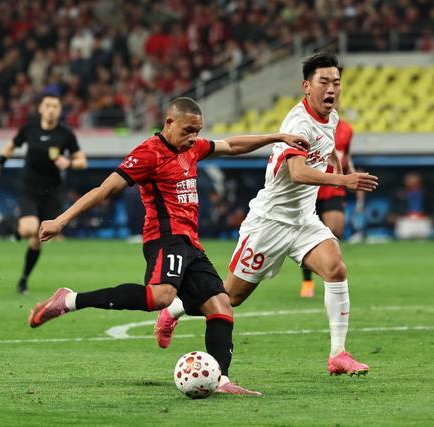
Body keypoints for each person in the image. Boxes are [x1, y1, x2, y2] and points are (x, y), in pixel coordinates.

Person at [28, 97, 309, 396]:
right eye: (188, 130)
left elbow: (231, 145)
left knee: (221, 305)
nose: (194, 137)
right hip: (164, 238)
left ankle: (222, 380)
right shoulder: (148, 153)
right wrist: (60, 220)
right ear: (169, 122)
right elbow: (104, 190)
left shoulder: (193, 147)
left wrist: (277, 137)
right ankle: (70, 300)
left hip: (190, 243)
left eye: (198, 131)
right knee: (160, 296)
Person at [157, 52, 379, 377]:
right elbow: (298, 172)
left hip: (303, 219)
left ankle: (338, 355)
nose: (332, 88)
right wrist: (343, 180)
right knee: (229, 297)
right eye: (324, 82)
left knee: (336, 269)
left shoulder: (330, 117)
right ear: (306, 86)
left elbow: (324, 144)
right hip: (270, 223)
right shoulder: (298, 123)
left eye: (336, 82)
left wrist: (334, 160)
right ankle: (174, 310)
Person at [0, 94, 88, 294]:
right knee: (30, 228)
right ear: (40, 108)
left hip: (51, 193)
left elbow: (82, 161)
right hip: (29, 189)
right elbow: (10, 145)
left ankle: (23, 280)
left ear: (60, 110)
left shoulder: (65, 134)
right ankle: (14, 229)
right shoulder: (29, 129)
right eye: (48, 105)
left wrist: (69, 162)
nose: (51, 109)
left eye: (55, 106)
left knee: (37, 239)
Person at [300, 118, 355, 298]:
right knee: (306, 235)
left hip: (334, 187)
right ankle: (307, 281)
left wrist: (350, 172)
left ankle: (330, 274)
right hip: (310, 187)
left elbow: (345, 155)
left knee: (335, 231)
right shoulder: (307, 124)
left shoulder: (347, 129)